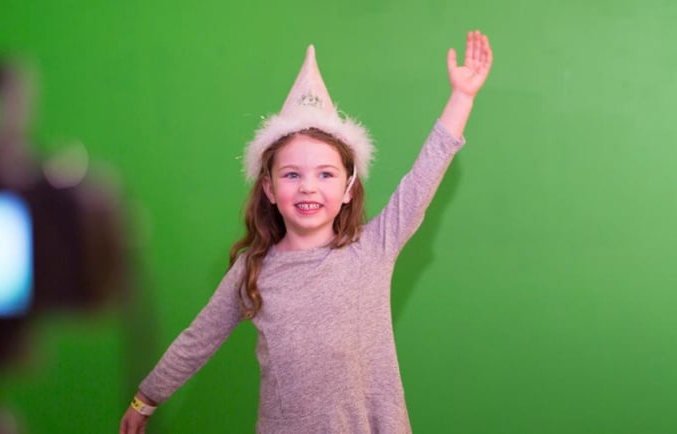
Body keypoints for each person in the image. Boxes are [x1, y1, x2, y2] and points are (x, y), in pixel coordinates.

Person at [120, 30, 493, 434]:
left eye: (326, 174)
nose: (308, 187)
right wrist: (146, 398)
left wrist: (462, 97)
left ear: (349, 188)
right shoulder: (254, 269)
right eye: (292, 174)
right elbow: (199, 339)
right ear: (269, 188)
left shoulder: (373, 248)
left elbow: (423, 178)